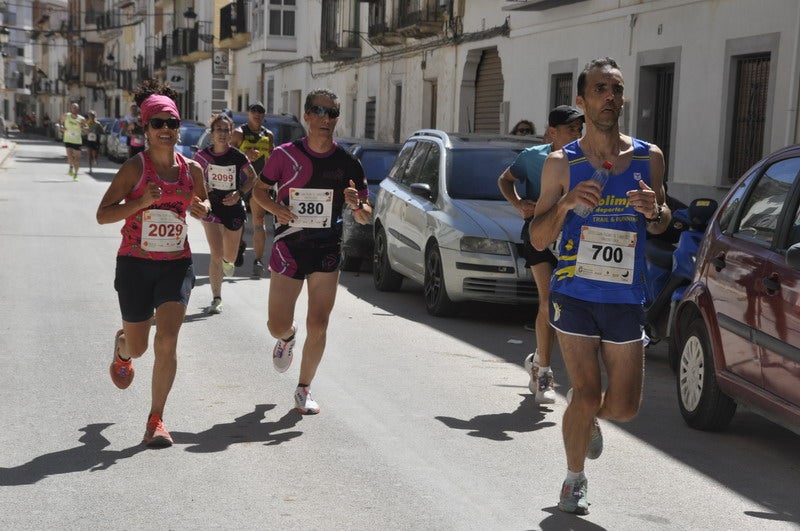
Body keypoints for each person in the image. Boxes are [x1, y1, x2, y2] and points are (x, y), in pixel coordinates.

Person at [529, 57, 670, 515]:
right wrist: (567, 203)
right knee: (588, 391)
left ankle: (583, 414)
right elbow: (537, 237)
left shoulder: (649, 158)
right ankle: (573, 482)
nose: (610, 96)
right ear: (582, 101)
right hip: (575, 293)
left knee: (625, 407)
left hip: (627, 296)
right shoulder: (560, 164)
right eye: (600, 89)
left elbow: (663, 221)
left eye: (616, 89)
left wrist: (654, 211)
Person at [95, 79, 211, 448]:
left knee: (168, 340)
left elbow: (205, 206)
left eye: (172, 123)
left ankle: (156, 419)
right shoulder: (134, 169)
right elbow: (103, 214)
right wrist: (141, 202)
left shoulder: (192, 170)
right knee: (141, 346)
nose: (166, 130)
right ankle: (125, 346)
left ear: (179, 128)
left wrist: (202, 209)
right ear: (145, 128)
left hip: (177, 263)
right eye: (158, 123)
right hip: (135, 264)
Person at [252, 88, 370, 415]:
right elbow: (259, 192)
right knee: (277, 324)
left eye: (332, 113)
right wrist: (277, 207)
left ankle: (303, 389)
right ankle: (287, 338)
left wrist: (357, 205)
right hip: (290, 247)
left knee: (318, 323)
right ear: (306, 115)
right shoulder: (284, 155)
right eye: (318, 111)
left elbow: (364, 212)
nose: (325, 118)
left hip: (327, 249)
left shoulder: (348, 162)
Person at [498, 105, 584, 404]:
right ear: (552, 132)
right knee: (549, 301)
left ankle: (539, 361)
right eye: (571, 129)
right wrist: (520, 203)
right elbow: (504, 180)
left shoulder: (588, 159)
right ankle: (544, 374)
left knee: (572, 306)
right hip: (540, 237)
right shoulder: (533, 157)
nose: (577, 134)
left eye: (580, 129)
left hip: (575, 240)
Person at [194, 113, 259, 314]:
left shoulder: (238, 156)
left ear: (231, 134)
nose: (222, 133)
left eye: (226, 130)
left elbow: (253, 178)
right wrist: (203, 192)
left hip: (233, 207)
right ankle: (216, 298)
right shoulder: (202, 157)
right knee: (216, 252)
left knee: (228, 257)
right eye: (219, 129)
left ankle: (231, 255)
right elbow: (193, 180)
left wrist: (239, 192)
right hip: (211, 208)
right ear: (212, 133)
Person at [231, 101, 275, 279]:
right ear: (248, 113)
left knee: (258, 219)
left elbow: (272, 158)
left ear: (264, 114)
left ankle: (258, 260)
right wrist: (245, 156)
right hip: (242, 182)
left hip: (260, 183)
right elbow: (229, 155)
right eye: (253, 111)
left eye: (261, 111)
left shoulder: (268, 135)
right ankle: (239, 245)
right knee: (239, 220)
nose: (257, 114)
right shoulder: (239, 133)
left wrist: (272, 180)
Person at [60, 103, 86, 181]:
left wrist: (82, 126)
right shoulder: (66, 116)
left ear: (78, 109)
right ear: (70, 109)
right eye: (73, 108)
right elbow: (59, 123)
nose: (75, 109)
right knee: (70, 156)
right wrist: (61, 128)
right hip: (68, 139)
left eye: (76, 108)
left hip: (77, 140)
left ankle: (76, 174)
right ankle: (71, 167)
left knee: (77, 159)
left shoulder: (81, 119)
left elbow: (86, 129)